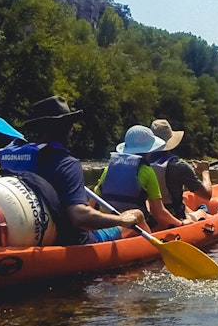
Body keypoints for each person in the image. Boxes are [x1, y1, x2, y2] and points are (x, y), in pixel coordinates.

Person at [17, 96, 145, 244]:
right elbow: (79, 218)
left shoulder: (23, 158)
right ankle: (151, 251)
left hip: (33, 237)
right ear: (65, 129)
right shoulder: (67, 163)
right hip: (73, 242)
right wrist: (121, 220)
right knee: (137, 215)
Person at [95, 125, 193, 231]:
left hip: (107, 224)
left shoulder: (108, 169)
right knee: (198, 213)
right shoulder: (147, 171)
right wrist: (181, 223)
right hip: (134, 226)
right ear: (149, 151)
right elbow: (158, 213)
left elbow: (93, 203)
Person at [147, 118, 213, 221]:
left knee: (186, 207)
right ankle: (202, 211)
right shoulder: (179, 165)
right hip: (175, 217)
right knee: (202, 211)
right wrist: (205, 172)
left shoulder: (143, 163)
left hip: (151, 216)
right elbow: (207, 195)